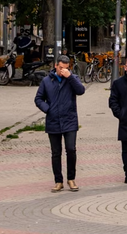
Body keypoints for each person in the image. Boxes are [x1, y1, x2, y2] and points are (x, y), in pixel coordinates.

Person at [34, 55, 85, 192]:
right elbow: (38, 99)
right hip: (53, 121)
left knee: (71, 149)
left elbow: (81, 91)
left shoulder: (72, 79)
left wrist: (70, 77)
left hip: (69, 120)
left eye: (66, 68)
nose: (63, 71)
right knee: (56, 153)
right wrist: (48, 109)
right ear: (56, 65)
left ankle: (71, 179)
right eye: (61, 68)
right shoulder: (47, 81)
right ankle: (58, 181)